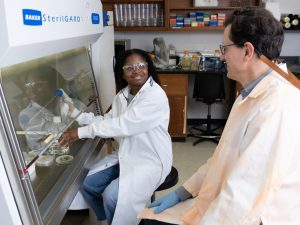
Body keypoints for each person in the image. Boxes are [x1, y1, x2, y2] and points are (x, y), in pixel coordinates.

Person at [139, 7, 300, 225]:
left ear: (247, 51)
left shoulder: (275, 105)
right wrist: (183, 192)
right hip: (223, 205)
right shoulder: (252, 92)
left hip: (252, 217)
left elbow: (243, 196)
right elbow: (222, 158)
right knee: (149, 219)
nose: (221, 56)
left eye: (224, 48)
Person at [59, 49, 173, 225]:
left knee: (111, 196)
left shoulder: (155, 96)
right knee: (87, 183)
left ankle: (122, 219)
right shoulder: (123, 95)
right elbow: (107, 120)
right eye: (129, 68)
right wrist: (76, 113)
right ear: (123, 73)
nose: (136, 71)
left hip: (150, 159)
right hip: (126, 155)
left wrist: (80, 132)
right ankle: (110, 219)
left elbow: (123, 125)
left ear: (148, 68)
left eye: (141, 65)